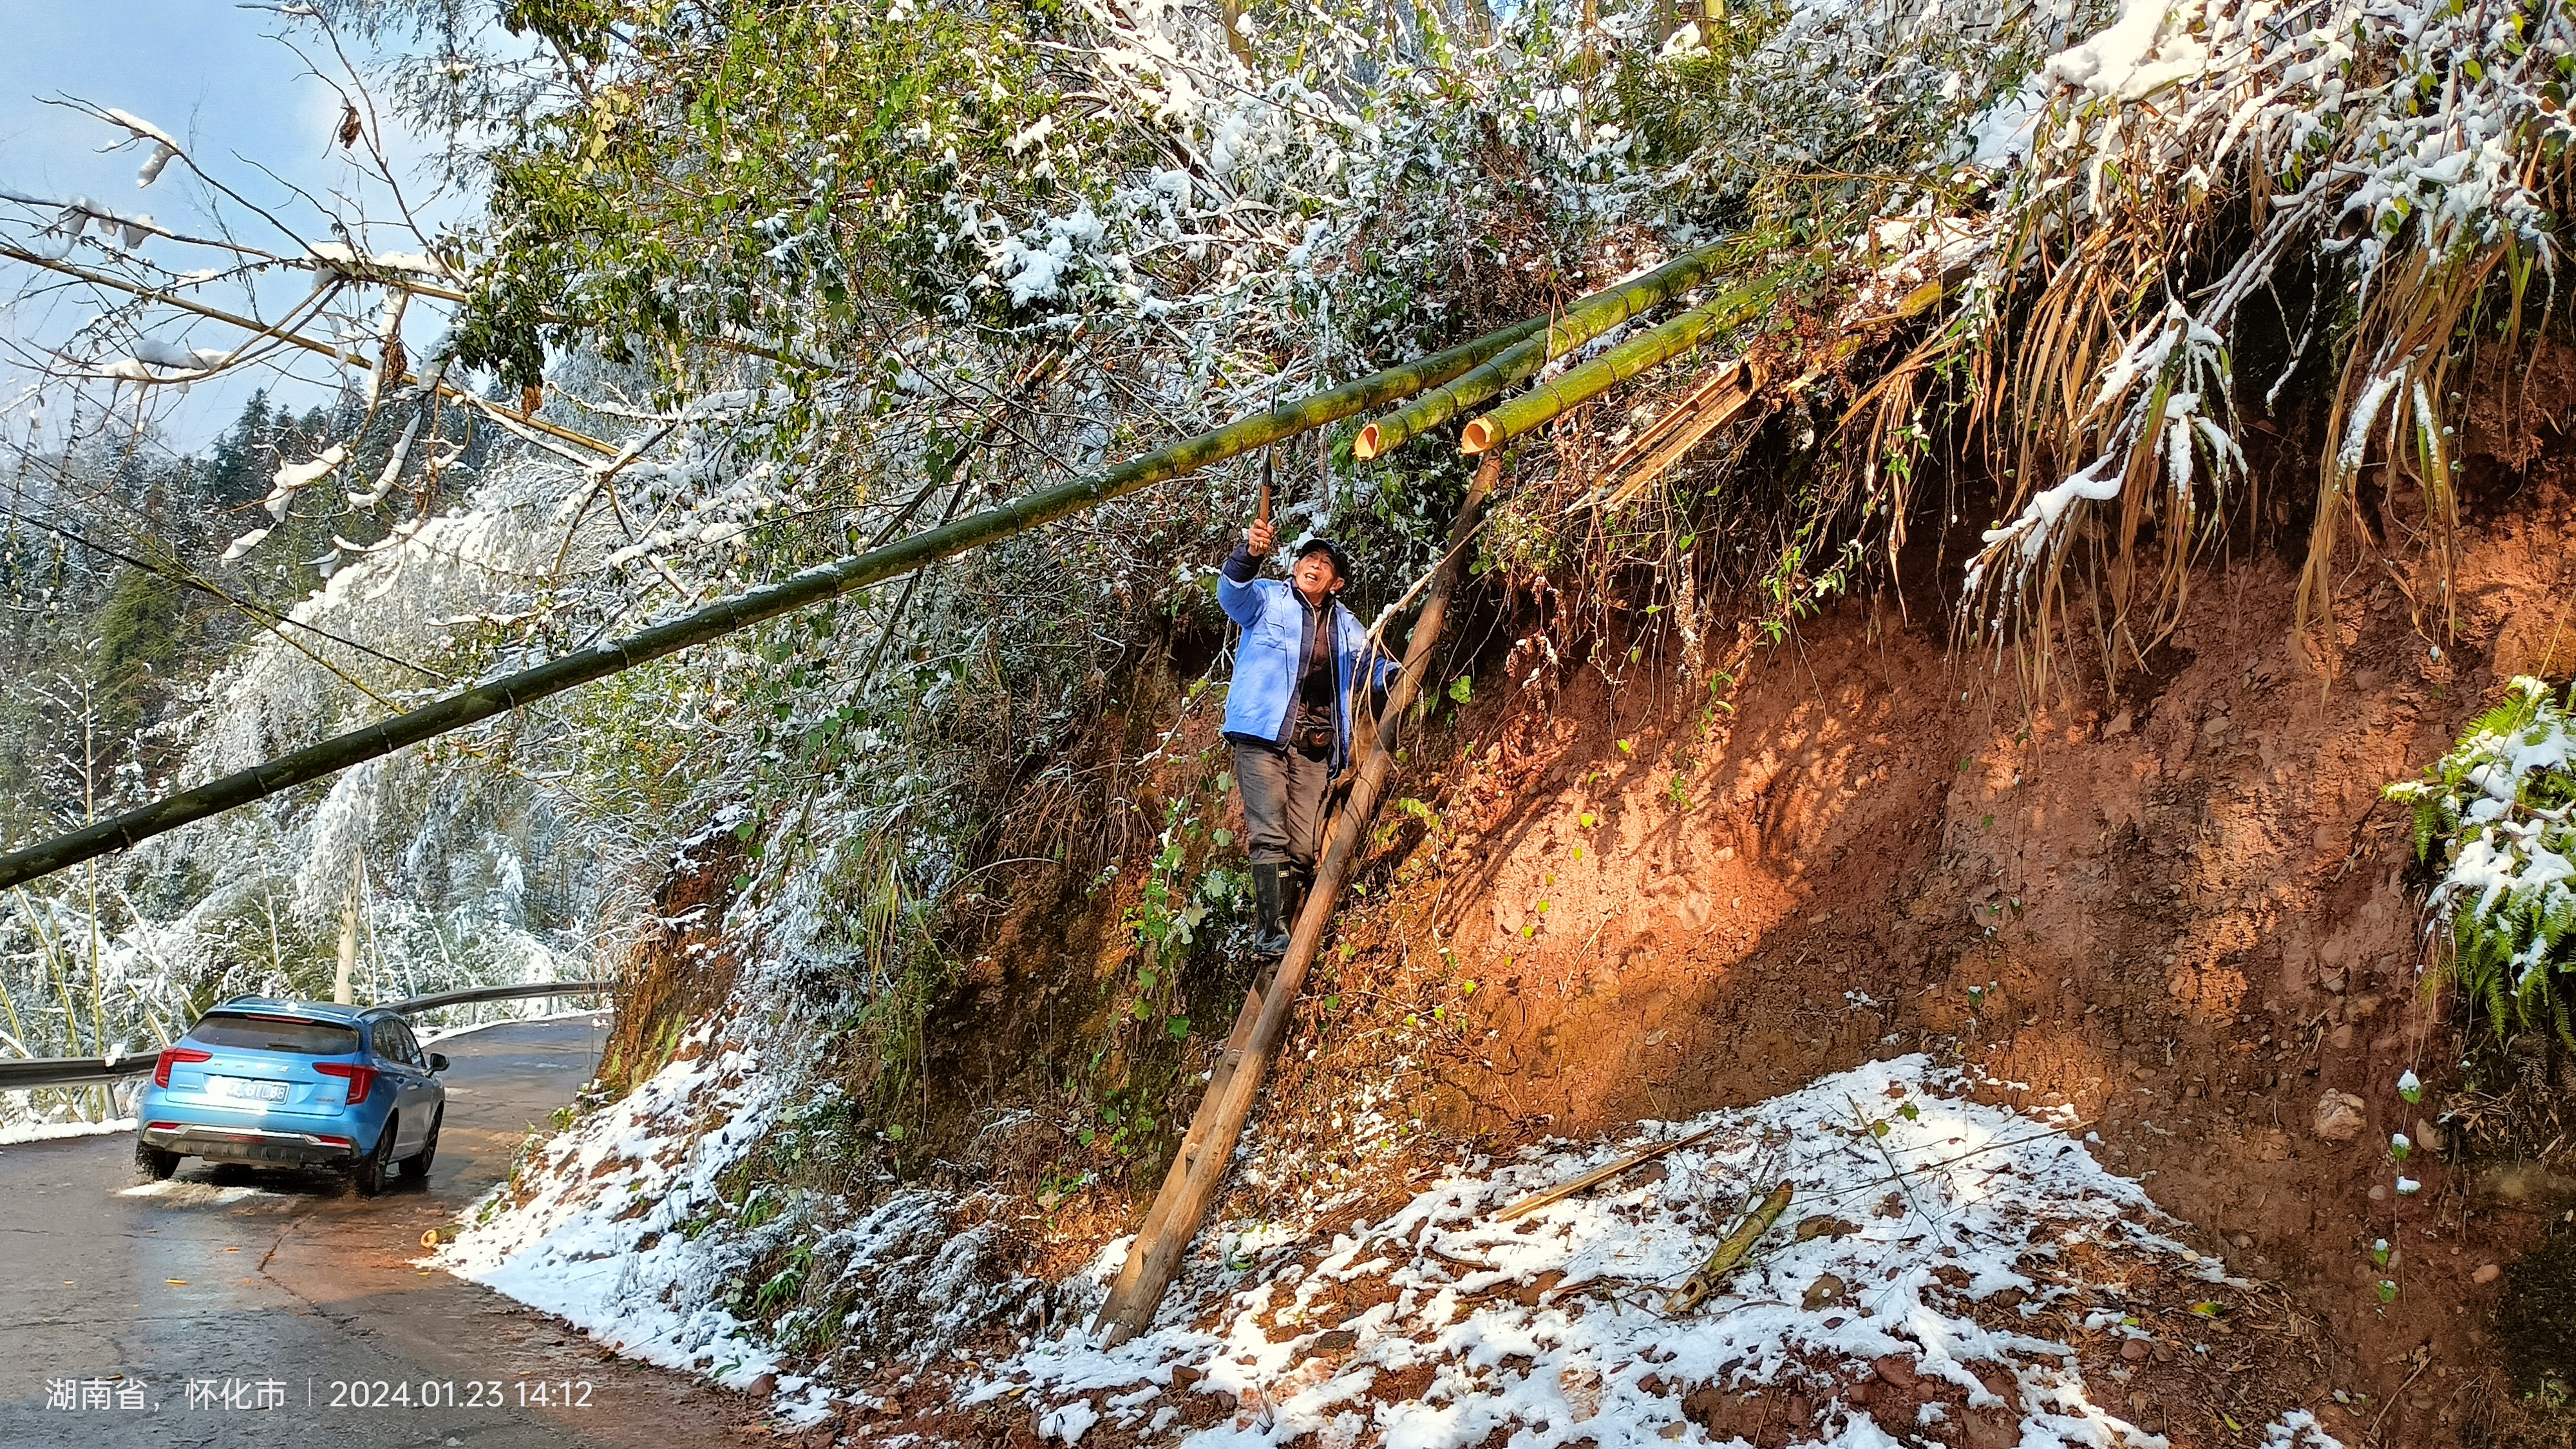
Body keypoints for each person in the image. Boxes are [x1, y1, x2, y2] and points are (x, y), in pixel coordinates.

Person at [1218, 516, 1395, 956]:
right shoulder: (1267, 599)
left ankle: (1287, 922)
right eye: (1308, 558)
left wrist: (1395, 676)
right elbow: (1231, 594)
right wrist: (1250, 555)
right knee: (1269, 833)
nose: (1313, 565)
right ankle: (1272, 935)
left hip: (1314, 746)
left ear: (1336, 583)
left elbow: (1367, 669)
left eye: (1324, 563)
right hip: (1262, 737)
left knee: (1301, 844)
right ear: (1297, 565)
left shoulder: (1349, 626)